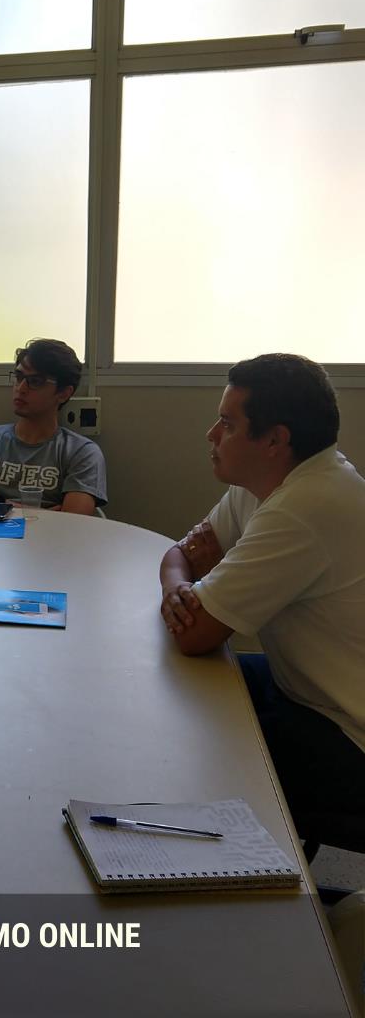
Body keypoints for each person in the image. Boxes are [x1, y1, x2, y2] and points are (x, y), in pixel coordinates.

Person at [159, 353, 365, 832]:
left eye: (228, 425)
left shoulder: (305, 506)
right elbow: (179, 555)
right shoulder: (266, 482)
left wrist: (189, 591)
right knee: (178, 687)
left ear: (274, 440)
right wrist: (180, 588)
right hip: (303, 687)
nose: (211, 435)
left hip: (347, 732)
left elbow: (196, 635)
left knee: (195, 748)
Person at [0, 338, 107, 514]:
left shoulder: (82, 452)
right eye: (19, 377)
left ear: (64, 393)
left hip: (51, 534)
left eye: (35, 381)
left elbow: (74, 522)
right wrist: (47, 513)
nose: (21, 388)